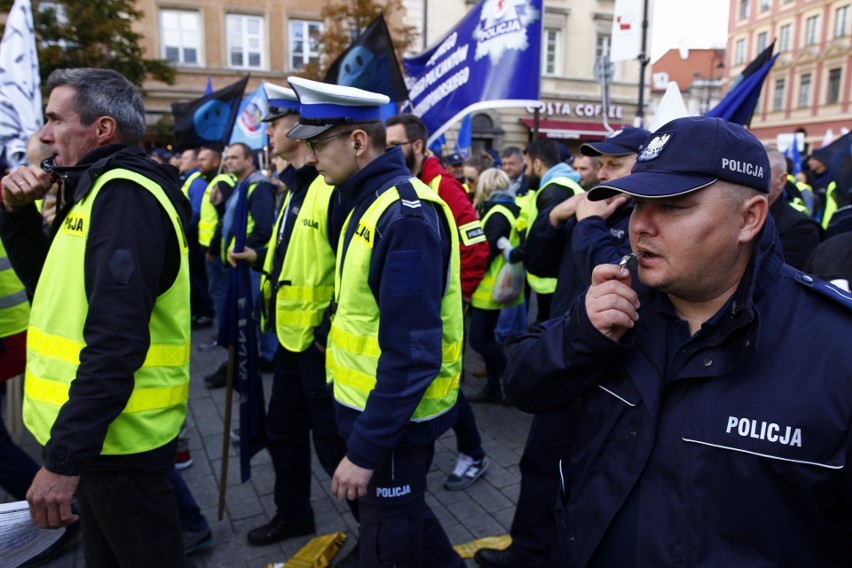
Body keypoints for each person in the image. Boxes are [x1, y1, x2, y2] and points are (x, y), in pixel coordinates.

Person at [505, 116, 852, 566]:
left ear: (749, 218)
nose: (641, 225)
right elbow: (523, 385)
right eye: (638, 203)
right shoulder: (618, 303)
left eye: (673, 206)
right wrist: (581, 337)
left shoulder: (834, 347)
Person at [0, 68, 190, 566]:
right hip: (98, 440)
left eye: (55, 120)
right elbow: (51, 289)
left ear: (102, 129)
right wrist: (17, 215)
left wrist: (63, 461)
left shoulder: (124, 197)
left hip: (118, 445)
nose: (43, 135)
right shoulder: (93, 189)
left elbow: (115, 341)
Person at [287, 77, 465, 568]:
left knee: (390, 538)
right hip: (372, 412)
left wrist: (365, 451)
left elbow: (412, 355)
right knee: (404, 520)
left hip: (391, 425)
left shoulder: (403, 215)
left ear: (358, 142)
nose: (309, 156)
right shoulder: (366, 199)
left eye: (318, 144)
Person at [475, 127, 649, 568]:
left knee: (577, 476)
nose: (599, 173)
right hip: (561, 353)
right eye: (599, 164)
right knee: (539, 464)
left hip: (604, 373)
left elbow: (615, 279)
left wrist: (588, 222)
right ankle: (527, 551)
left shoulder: (642, 222)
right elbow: (538, 260)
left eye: (614, 165)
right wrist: (555, 219)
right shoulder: (593, 209)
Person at [227, 82, 356, 546]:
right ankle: (294, 514)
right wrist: (258, 259)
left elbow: (351, 270)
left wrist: (324, 331)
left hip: (317, 347)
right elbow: (296, 260)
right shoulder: (294, 187)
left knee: (334, 447)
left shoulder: (331, 189)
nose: (269, 132)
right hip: (289, 339)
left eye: (276, 123)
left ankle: (384, 533)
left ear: (299, 130)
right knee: (283, 433)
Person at [385, 113, 490, 490]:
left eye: (394, 145)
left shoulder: (443, 185)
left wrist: (458, 297)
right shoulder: (406, 181)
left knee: (445, 380)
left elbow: (477, 246)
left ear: (416, 146)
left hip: (444, 310)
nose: (387, 152)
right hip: (422, 308)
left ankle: (473, 453)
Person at [204, 142, 276, 386]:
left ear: (249, 161)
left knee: (250, 317)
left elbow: (263, 227)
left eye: (235, 157)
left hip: (250, 265)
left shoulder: (259, 187)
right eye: (228, 158)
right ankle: (254, 360)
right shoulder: (242, 185)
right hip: (239, 264)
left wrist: (243, 250)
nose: (229, 162)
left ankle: (253, 362)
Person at [467, 168, 524, 404]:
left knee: (479, 340)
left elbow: (485, 252)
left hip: (488, 289)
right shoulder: (508, 208)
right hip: (498, 286)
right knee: (488, 339)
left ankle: (520, 380)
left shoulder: (497, 213)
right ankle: (493, 387)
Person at [518, 139, 584, 324]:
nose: (525, 172)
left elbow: (550, 238)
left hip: (553, 282)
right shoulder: (560, 185)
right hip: (555, 279)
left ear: (537, 163)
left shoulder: (554, 189)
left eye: (527, 165)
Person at [765, 147, 822, 270]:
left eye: (761, 172)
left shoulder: (801, 228)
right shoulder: (733, 214)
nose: (751, 178)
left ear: (781, 180)